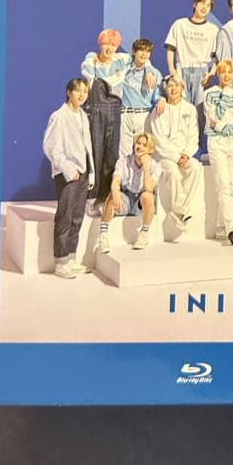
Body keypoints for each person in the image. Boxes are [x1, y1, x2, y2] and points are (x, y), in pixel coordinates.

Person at [42, 77, 95, 278]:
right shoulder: (59, 116)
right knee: (65, 217)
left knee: (77, 217)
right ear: (68, 92)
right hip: (68, 175)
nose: (82, 95)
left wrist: (91, 173)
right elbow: (50, 147)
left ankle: (71, 258)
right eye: (78, 90)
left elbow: (88, 147)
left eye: (85, 91)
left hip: (83, 173)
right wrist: (69, 169)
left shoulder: (83, 116)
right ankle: (61, 262)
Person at [148, 74, 202, 230]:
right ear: (165, 89)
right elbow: (158, 140)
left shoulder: (190, 109)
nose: (173, 89)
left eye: (177, 85)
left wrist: (186, 154)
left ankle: (179, 211)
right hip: (164, 157)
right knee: (173, 172)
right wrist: (175, 157)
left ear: (182, 88)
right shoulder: (159, 110)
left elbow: (193, 135)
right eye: (170, 86)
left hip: (184, 155)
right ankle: (182, 211)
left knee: (195, 167)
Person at [204, 59, 233, 245]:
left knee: (231, 185)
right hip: (217, 142)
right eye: (223, 72)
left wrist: (230, 130)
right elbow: (214, 117)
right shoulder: (210, 93)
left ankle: (223, 227)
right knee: (222, 184)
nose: (227, 75)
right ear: (218, 74)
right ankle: (232, 228)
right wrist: (225, 94)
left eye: (230, 72)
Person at [81, 28, 126, 202]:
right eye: (106, 44)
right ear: (100, 44)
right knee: (95, 153)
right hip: (96, 112)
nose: (109, 48)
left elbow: (142, 60)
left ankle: (105, 197)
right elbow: (88, 74)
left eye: (113, 45)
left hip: (114, 112)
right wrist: (92, 58)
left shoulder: (121, 61)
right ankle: (91, 197)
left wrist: (150, 71)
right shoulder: (91, 61)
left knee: (111, 154)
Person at [163, 0, 217, 141]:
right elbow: (170, 48)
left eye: (208, 5)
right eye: (202, 3)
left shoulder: (212, 29)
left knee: (200, 111)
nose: (204, 7)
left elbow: (216, 57)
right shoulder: (180, 24)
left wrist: (211, 73)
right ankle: (180, 144)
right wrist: (172, 71)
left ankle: (198, 147)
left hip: (202, 72)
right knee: (181, 109)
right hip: (182, 69)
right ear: (194, 4)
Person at [96, 133, 161, 252]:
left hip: (139, 203)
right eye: (138, 143)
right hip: (125, 197)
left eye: (144, 145)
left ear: (150, 150)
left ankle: (144, 234)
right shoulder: (123, 161)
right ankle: (103, 237)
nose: (139, 147)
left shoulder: (156, 166)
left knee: (148, 196)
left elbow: (149, 188)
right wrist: (115, 192)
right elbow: (115, 181)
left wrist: (146, 167)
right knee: (112, 194)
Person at [119, 38, 165, 156]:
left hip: (143, 116)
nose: (144, 54)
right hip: (125, 114)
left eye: (147, 51)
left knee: (142, 153)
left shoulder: (155, 73)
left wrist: (162, 99)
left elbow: (158, 95)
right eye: (141, 50)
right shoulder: (124, 69)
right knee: (124, 154)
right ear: (134, 51)